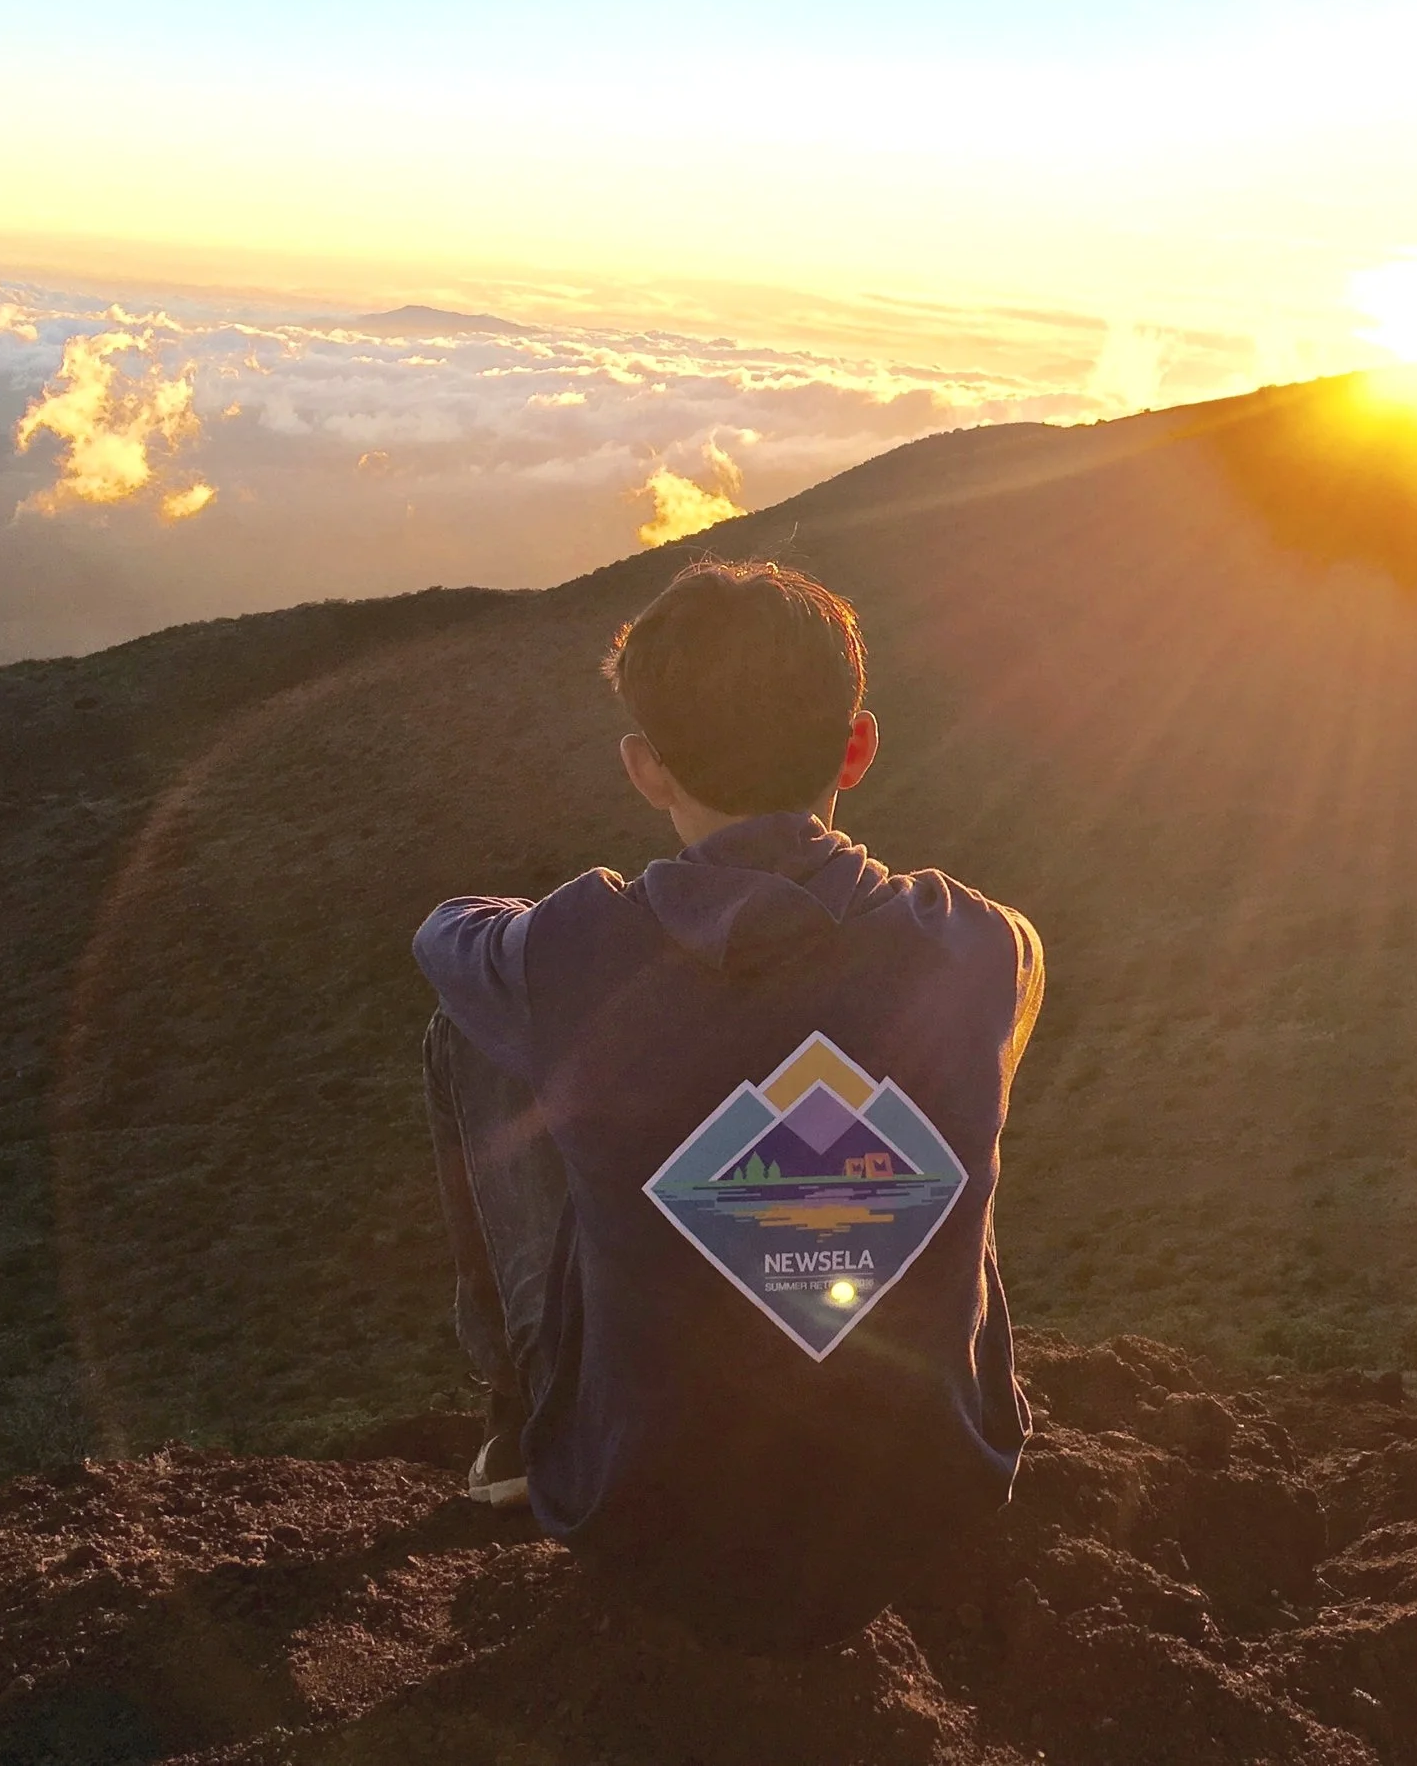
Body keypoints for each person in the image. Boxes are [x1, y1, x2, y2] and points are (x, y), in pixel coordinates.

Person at [414, 557, 1043, 1649]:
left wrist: (567, 962)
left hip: (636, 1511)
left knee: (472, 1034)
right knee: (947, 1089)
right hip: (934, 1490)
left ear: (645, 770)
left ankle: (518, 1425)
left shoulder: (574, 950)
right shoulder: (985, 943)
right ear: (858, 746)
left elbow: (442, 938)